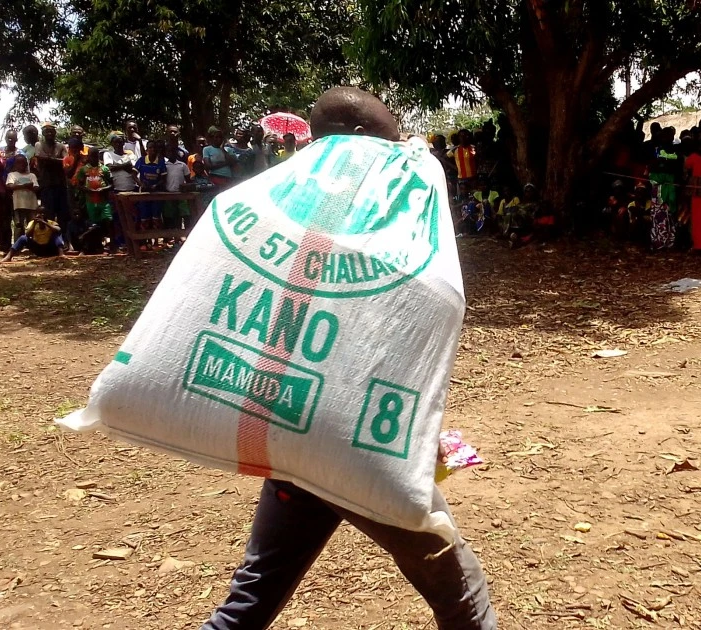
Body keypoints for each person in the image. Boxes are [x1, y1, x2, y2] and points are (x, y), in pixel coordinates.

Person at [199, 86, 497, 630]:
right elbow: (425, 306)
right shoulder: (378, 228)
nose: (398, 147)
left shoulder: (285, 214)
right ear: (359, 143)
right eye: (388, 137)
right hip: (358, 443)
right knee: (461, 592)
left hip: (287, 427)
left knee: (252, 596)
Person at [34, 123, 72, 248]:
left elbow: (66, 162)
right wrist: (56, 161)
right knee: (48, 214)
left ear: (55, 133)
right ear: (43, 133)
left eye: (52, 131)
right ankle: (50, 243)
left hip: (60, 185)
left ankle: (66, 241)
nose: (49, 133)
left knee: (63, 216)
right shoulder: (39, 145)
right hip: (47, 185)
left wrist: (50, 160)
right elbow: (40, 158)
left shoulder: (60, 146)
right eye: (47, 131)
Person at [73, 149, 113, 248]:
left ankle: (112, 243)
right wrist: (87, 190)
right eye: (91, 155)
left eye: (95, 155)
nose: (93, 158)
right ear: (88, 156)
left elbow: (112, 185)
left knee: (108, 220)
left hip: (103, 201)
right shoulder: (84, 170)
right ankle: (97, 244)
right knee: (94, 224)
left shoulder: (105, 169)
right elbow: (79, 185)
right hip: (90, 201)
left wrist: (103, 189)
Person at [1, 208, 65, 261]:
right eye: (38, 214)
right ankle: (9, 256)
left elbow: (58, 230)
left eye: (41, 214)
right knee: (23, 238)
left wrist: (44, 223)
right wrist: (34, 224)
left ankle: (61, 254)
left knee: (56, 234)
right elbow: (27, 235)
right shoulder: (32, 223)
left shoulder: (51, 223)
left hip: (50, 249)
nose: (39, 216)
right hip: (38, 248)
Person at [134, 139, 168, 230]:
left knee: (156, 217)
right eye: (150, 148)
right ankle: (146, 241)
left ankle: (156, 242)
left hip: (156, 193)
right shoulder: (141, 160)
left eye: (154, 148)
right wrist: (141, 184)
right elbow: (133, 175)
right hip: (144, 194)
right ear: (147, 149)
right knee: (144, 218)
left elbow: (164, 179)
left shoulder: (161, 162)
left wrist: (156, 185)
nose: (152, 150)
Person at [5, 154, 39, 241]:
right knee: (18, 225)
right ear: (15, 164)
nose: (21, 165)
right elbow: (10, 186)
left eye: (23, 163)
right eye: (19, 163)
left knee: (32, 225)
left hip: (31, 205)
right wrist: (25, 185)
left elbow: (36, 187)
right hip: (18, 204)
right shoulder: (12, 175)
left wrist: (21, 186)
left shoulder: (32, 175)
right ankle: (17, 245)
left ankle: (32, 245)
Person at [163, 142, 192, 228]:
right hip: (169, 194)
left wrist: (186, 188)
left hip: (181, 194)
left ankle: (186, 233)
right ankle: (173, 235)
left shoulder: (182, 165)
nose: (171, 153)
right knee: (171, 215)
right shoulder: (164, 165)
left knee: (184, 214)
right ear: (166, 153)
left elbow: (188, 180)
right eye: (169, 151)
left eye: (173, 151)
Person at [452, 129, 476, 199]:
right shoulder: (455, 150)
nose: (464, 137)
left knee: (473, 197)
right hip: (461, 179)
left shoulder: (473, 148)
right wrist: (455, 167)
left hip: (473, 178)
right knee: (462, 198)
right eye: (461, 136)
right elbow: (444, 157)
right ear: (458, 137)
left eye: (466, 135)